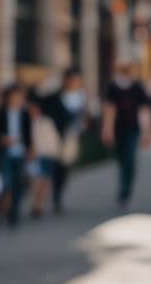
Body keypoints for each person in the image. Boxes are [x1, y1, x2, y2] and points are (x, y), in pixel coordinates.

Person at [101, 61, 151, 209]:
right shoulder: (113, 86)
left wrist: (146, 131)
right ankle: (123, 187)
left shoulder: (137, 87)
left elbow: (144, 109)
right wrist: (108, 130)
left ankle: (125, 190)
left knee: (129, 159)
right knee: (122, 158)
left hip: (132, 128)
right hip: (118, 128)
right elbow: (109, 110)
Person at [0, 85, 33, 226]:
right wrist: (1, 139)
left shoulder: (25, 114)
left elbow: (28, 134)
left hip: (19, 152)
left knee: (19, 183)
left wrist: (30, 149)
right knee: (4, 182)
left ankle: (14, 211)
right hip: (4, 153)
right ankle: (0, 207)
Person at [43, 69, 87, 213]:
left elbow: (83, 116)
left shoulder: (80, 97)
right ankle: (55, 195)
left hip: (71, 137)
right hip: (55, 135)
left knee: (65, 166)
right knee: (55, 167)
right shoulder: (55, 97)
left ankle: (59, 193)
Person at [26, 96, 61, 217]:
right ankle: (35, 204)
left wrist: (56, 152)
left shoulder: (45, 121)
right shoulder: (26, 123)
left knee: (45, 181)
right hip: (35, 156)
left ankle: (40, 204)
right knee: (36, 181)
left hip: (47, 154)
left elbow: (53, 138)